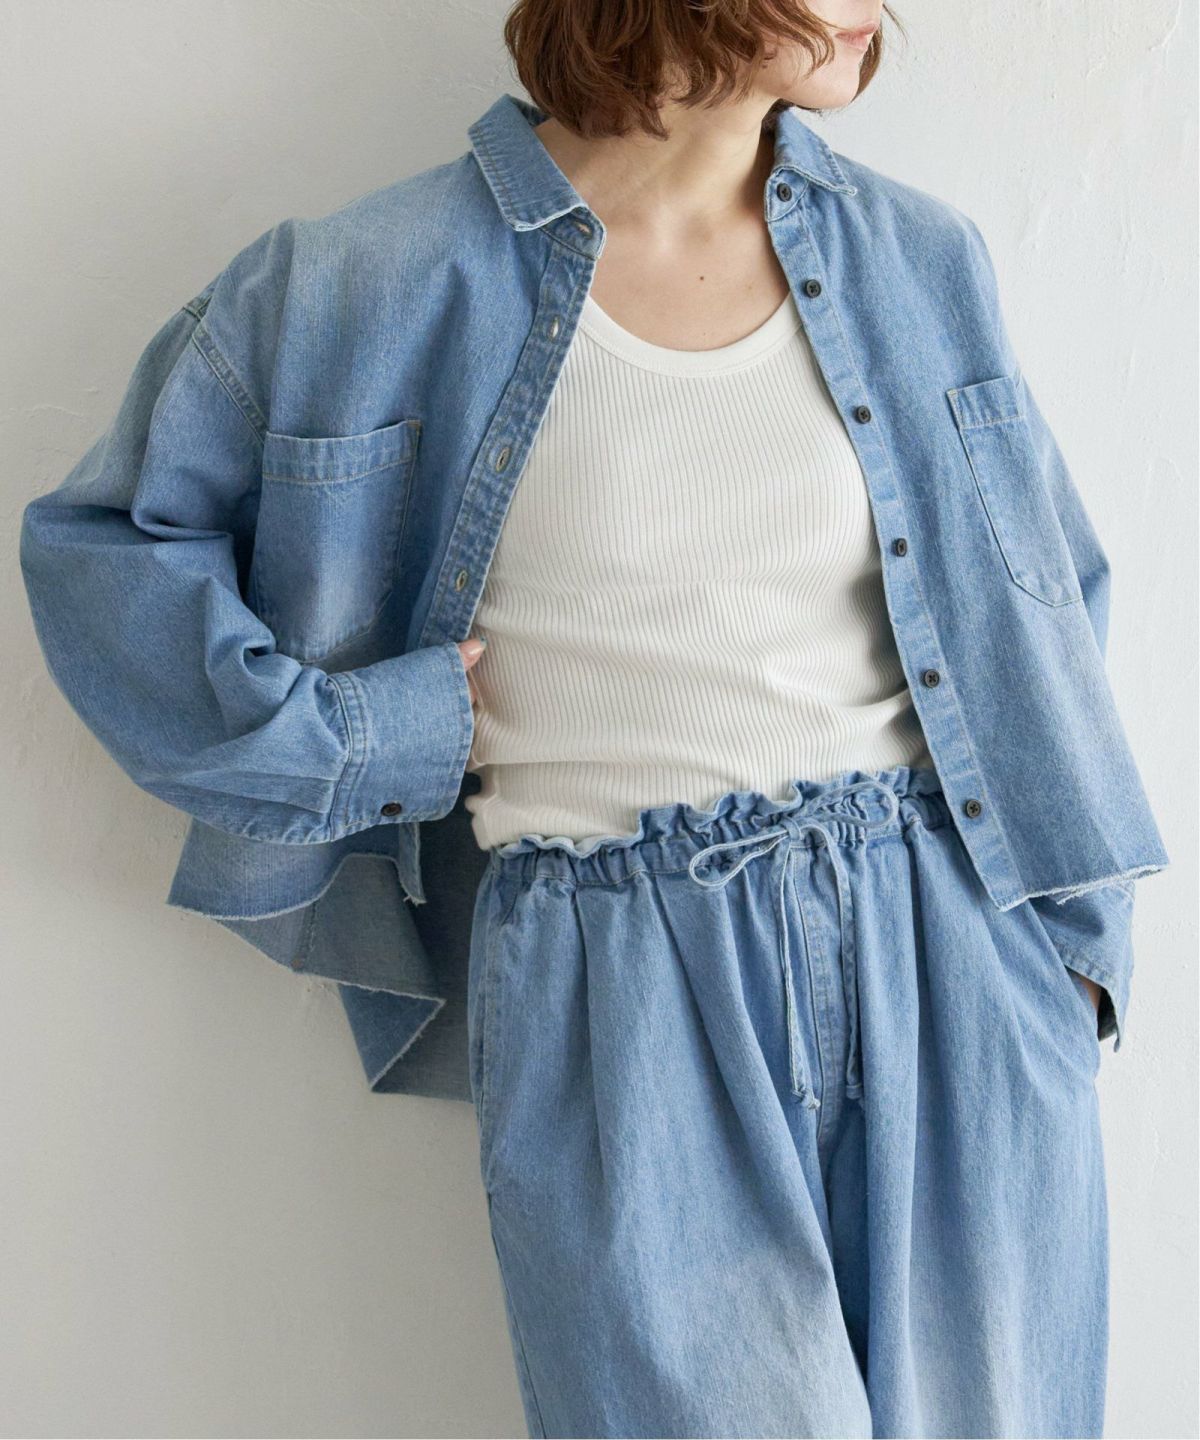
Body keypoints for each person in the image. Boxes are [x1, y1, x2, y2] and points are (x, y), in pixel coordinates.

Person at [19, 3, 1170, 1437]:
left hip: (951, 955)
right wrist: (372, 738)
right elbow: (104, 552)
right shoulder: (369, 279)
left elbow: (1046, 600)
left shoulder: (917, 258)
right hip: (621, 972)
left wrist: (1073, 961)